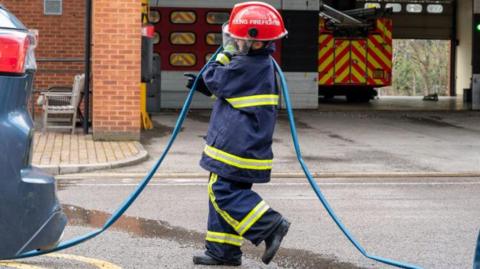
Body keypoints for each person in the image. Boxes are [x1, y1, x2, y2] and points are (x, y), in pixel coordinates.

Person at [185, 2, 290, 266]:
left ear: (254, 40)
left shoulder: (249, 64)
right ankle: (223, 252)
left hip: (236, 148)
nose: (234, 42)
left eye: (237, 38)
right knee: (221, 194)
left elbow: (214, 76)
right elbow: (232, 92)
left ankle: (270, 225)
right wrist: (208, 88)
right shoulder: (258, 64)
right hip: (244, 146)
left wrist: (223, 53)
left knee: (221, 192)